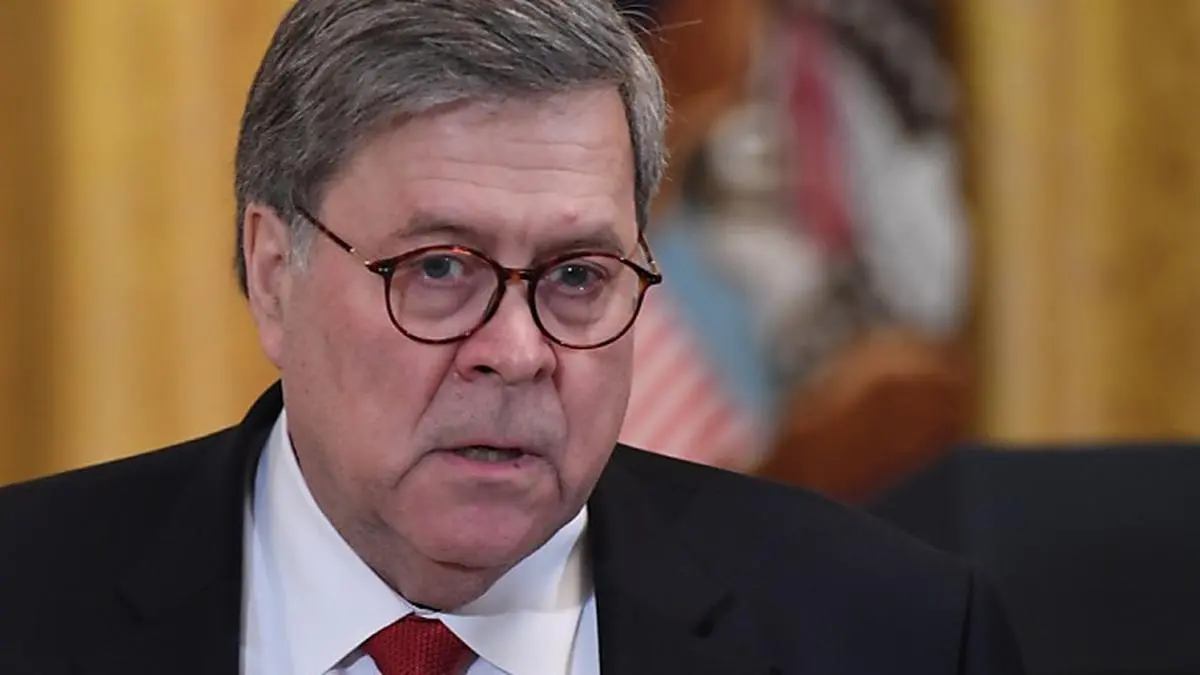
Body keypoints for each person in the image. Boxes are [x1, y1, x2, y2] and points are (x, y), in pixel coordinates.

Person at [0, 1, 1025, 673]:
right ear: (273, 273)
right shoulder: (27, 603)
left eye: (577, 276)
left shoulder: (898, 636)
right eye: (440, 269)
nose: (519, 352)